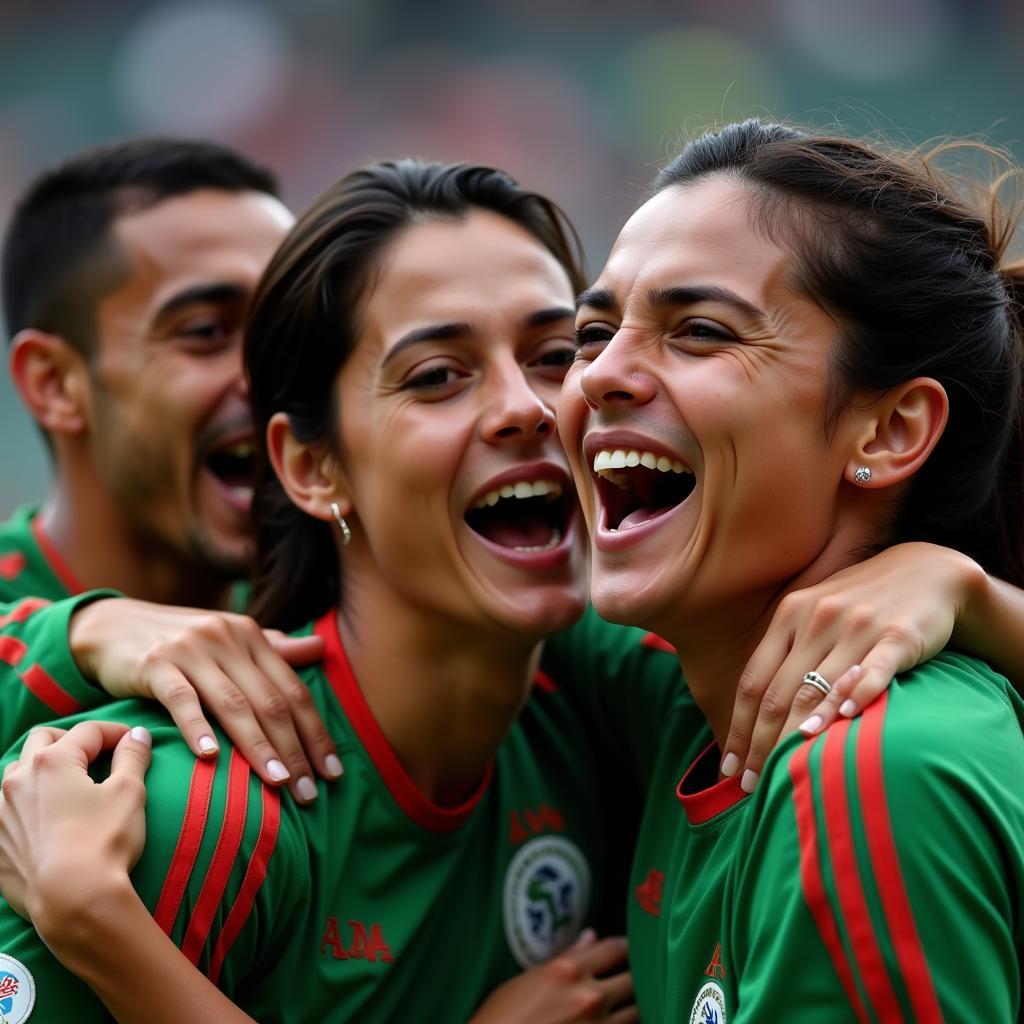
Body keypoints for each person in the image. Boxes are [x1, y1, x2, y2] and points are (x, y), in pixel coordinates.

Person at [4, 149, 1024, 1023]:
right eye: (437, 374)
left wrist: (964, 589)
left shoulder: (673, 697)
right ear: (311, 468)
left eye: (551, 351)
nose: (541, 405)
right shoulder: (174, 812)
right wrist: (96, 910)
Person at [557, 119, 1024, 1020]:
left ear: (888, 431)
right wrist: (192, 628)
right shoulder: (687, 685)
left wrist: (972, 594)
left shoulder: (877, 768)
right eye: (591, 332)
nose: (600, 377)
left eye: (697, 330)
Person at [0, 138, 341, 798]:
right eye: (207, 330)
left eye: (288, 330)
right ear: (55, 383)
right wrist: (87, 632)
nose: (273, 375)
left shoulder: (342, 606)